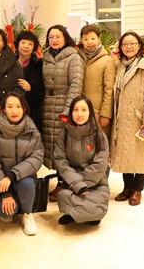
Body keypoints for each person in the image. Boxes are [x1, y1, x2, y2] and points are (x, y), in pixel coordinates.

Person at [111, 31, 144, 206]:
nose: (129, 47)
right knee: (125, 153)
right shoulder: (118, 66)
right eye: (125, 44)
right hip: (122, 118)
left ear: (139, 45)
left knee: (141, 154)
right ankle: (127, 188)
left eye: (132, 43)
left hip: (139, 119)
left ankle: (137, 189)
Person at [0, 92, 44, 236]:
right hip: (0, 183)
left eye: (18, 106)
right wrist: (5, 193)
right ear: (4, 109)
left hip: (22, 178)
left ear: (24, 108)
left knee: (26, 183)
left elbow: (37, 157)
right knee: (6, 216)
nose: (14, 111)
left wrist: (12, 176)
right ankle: (12, 202)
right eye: (10, 107)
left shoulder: (32, 130)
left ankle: (27, 214)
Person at [42, 25, 84, 202]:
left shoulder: (73, 57)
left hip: (64, 104)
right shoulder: (45, 56)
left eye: (58, 36)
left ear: (65, 38)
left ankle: (65, 183)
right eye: (51, 37)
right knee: (52, 145)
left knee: (65, 147)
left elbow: (76, 84)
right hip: (47, 105)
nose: (54, 40)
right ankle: (60, 181)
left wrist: (68, 110)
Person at [54, 95, 110, 226]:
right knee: (63, 195)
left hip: (95, 181)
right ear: (71, 112)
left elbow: (100, 164)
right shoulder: (64, 135)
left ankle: (87, 213)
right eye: (76, 110)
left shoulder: (100, 136)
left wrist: (83, 184)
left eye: (84, 110)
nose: (79, 114)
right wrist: (76, 184)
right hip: (72, 181)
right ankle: (73, 213)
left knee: (95, 201)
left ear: (90, 113)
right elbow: (61, 161)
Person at [77, 24, 115, 139]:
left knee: (98, 143)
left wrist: (106, 114)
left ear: (99, 39)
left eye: (93, 38)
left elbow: (109, 89)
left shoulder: (107, 60)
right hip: (79, 111)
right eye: (86, 39)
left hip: (97, 112)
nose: (89, 42)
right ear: (81, 40)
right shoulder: (77, 58)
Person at [14, 30, 45, 132]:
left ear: (34, 47)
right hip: (11, 109)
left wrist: (30, 89)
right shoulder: (10, 63)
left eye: (30, 44)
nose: (26, 46)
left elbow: (41, 92)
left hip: (30, 111)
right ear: (18, 44)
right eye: (23, 42)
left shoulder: (38, 65)